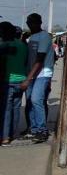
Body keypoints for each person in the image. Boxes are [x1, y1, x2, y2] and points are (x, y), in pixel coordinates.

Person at [22, 13, 54, 143]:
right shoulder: (32, 37)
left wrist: (27, 79)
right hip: (32, 73)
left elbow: (40, 59)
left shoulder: (44, 36)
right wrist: (23, 40)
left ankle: (42, 130)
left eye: (32, 23)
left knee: (36, 100)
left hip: (42, 73)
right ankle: (33, 129)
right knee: (30, 101)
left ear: (39, 23)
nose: (30, 25)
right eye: (28, 23)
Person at [1, 21, 28, 146]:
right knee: (16, 107)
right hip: (21, 81)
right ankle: (12, 133)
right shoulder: (23, 45)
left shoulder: (4, 45)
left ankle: (5, 137)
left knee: (6, 109)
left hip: (8, 81)